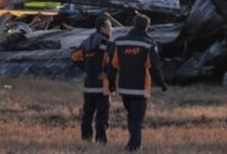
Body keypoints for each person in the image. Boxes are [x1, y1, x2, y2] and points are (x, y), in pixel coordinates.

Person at [107, 13, 167, 151]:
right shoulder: (149, 43)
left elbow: (113, 65)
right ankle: (134, 146)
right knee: (137, 118)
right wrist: (161, 82)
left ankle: (133, 142)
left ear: (134, 25)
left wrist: (111, 82)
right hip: (141, 88)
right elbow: (154, 66)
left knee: (131, 116)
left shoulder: (119, 42)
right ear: (147, 27)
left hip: (124, 88)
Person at [70, 15, 113, 143]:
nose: (112, 30)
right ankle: (100, 141)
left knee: (87, 115)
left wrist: (87, 68)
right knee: (102, 115)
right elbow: (113, 64)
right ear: (103, 28)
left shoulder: (86, 43)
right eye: (110, 27)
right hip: (102, 87)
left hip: (88, 86)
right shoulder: (107, 45)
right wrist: (107, 74)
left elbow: (74, 57)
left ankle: (86, 139)